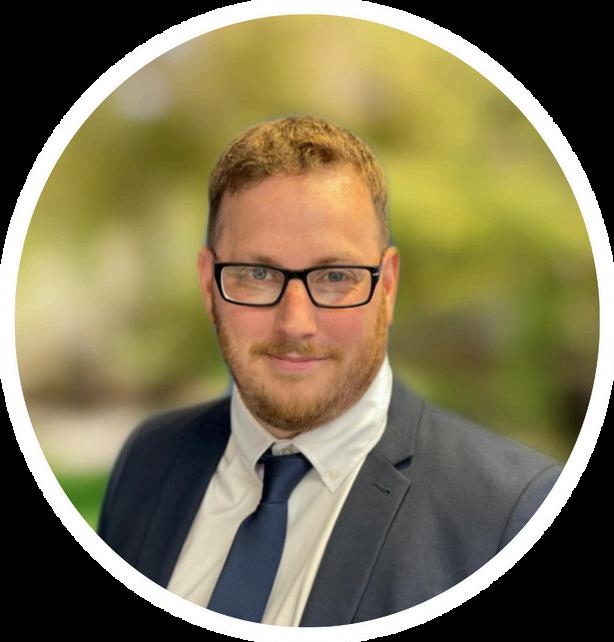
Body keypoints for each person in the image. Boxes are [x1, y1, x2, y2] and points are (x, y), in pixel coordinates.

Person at [97, 115, 563, 627]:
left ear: (387, 287)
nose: (296, 323)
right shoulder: (149, 460)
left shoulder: (513, 516)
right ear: (209, 286)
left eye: (336, 276)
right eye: (257, 273)